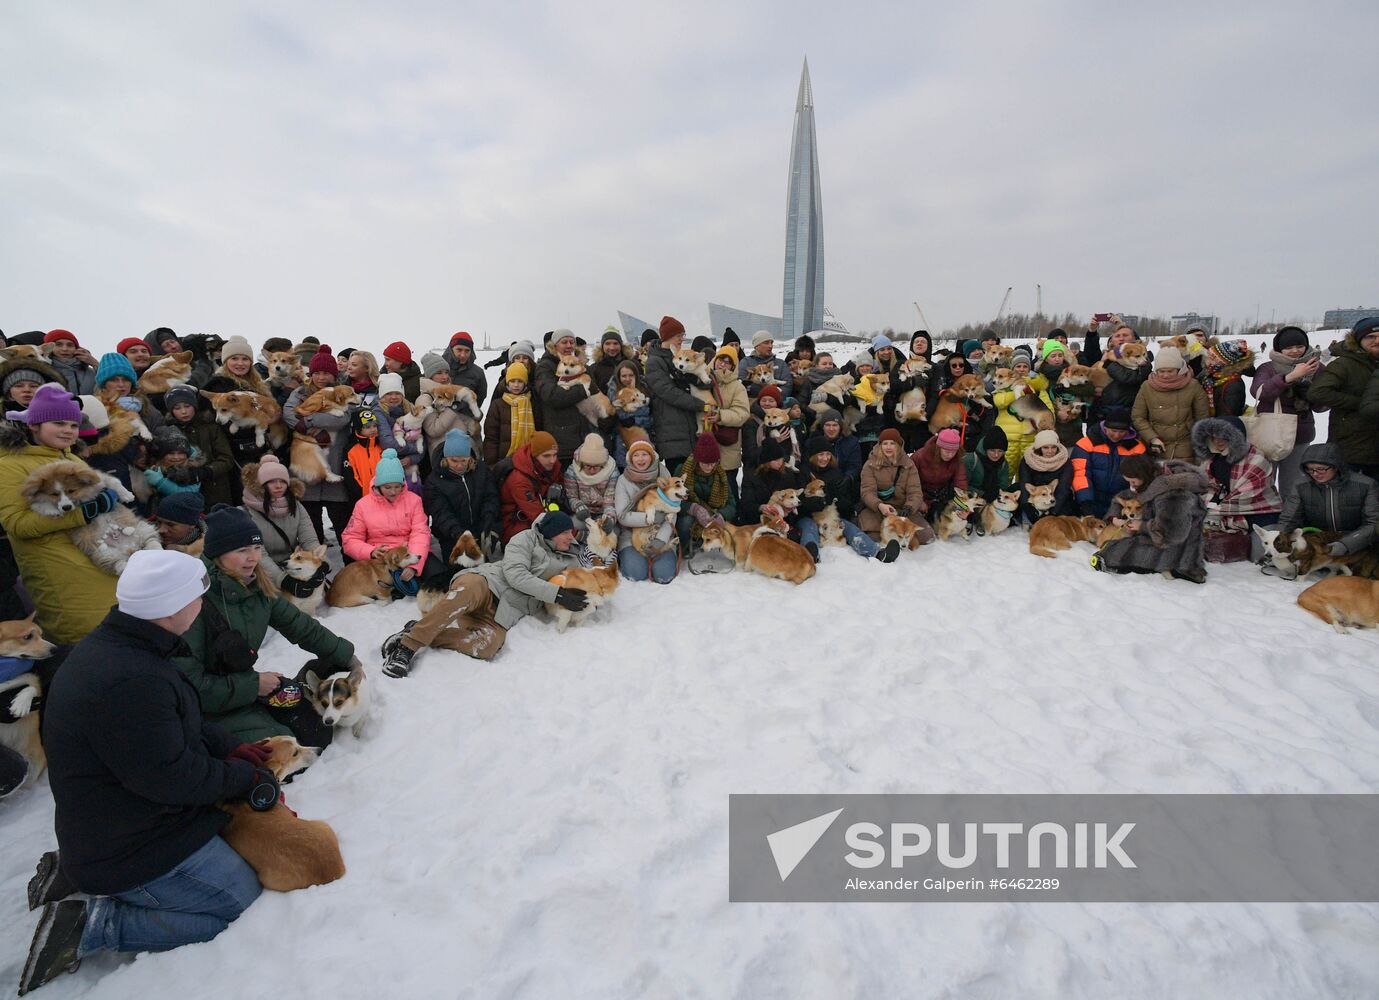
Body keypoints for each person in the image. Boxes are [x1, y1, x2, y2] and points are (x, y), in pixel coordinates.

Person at [19, 550, 273, 995]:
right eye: (199, 597)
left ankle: (72, 873)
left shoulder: (123, 648)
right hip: (133, 845)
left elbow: (174, 725)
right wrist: (244, 778)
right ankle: (91, 925)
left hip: (111, 823)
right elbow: (173, 779)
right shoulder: (131, 679)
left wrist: (231, 747)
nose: (203, 606)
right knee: (240, 903)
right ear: (174, 608)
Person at [176, 505, 355, 744]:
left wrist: (347, 656)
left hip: (240, 690)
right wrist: (253, 685)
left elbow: (300, 625)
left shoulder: (257, 587)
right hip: (205, 708)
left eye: (257, 548)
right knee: (288, 747)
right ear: (217, 553)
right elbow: (186, 684)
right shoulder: (194, 601)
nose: (253, 557)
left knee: (315, 731)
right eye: (242, 550)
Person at [378, 510, 589, 676]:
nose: (571, 537)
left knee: (487, 646)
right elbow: (516, 576)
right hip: (487, 583)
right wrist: (558, 594)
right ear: (551, 533)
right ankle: (407, 647)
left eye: (571, 532)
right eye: (565, 533)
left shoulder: (570, 558)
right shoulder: (524, 539)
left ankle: (415, 631)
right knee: (462, 595)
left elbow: (589, 574)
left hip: (506, 610)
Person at [0, 384, 118, 643]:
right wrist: (82, 513)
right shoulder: (9, 465)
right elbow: (18, 524)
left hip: (99, 560)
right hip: (61, 574)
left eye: (74, 425)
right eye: (58, 422)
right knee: (87, 647)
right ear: (34, 425)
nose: (68, 430)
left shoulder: (72, 459)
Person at [1092, 460, 1212, 583]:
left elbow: (1172, 533)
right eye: (1129, 482)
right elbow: (1122, 499)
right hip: (1158, 537)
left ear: (1142, 476)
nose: (1132, 486)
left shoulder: (1173, 495)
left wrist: (1142, 526)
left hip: (1176, 549)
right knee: (1109, 551)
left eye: (1133, 481)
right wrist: (1115, 518)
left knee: (1110, 555)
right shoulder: (1150, 484)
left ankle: (1179, 569)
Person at [341, 449, 446, 589]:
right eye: (387, 487)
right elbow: (350, 539)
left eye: (397, 486)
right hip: (380, 558)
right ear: (378, 485)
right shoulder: (362, 505)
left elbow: (420, 533)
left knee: (438, 576)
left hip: (410, 552)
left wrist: (414, 565)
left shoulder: (414, 501)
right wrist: (370, 552)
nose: (393, 491)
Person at [285, 350, 357, 546]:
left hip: (334, 466)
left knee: (344, 529)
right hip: (307, 468)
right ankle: (317, 573)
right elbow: (289, 414)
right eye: (317, 373)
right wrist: (317, 432)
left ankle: (351, 569)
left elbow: (341, 419)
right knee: (311, 532)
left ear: (334, 375)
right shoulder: (299, 393)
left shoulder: (343, 392)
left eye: (326, 373)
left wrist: (308, 421)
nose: (321, 377)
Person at [798, 435, 900, 562]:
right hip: (808, 516)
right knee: (809, 528)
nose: (825, 458)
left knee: (849, 527)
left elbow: (844, 501)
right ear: (813, 456)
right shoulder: (803, 472)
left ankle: (878, 553)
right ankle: (809, 555)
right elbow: (802, 502)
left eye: (828, 454)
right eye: (821, 454)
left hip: (830, 516)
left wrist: (843, 503)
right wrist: (824, 500)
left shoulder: (835, 472)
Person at [1272, 445, 1379, 564]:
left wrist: (1346, 544)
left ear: (1336, 466)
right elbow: (1289, 519)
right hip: (1317, 543)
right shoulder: (1301, 486)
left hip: (1357, 543)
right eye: (1310, 469)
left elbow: (1373, 523)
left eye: (1321, 469)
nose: (1315, 473)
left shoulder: (1365, 485)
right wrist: (1278, 543)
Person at [1251, 326, 1321, 500]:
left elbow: (1322, 406)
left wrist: (1311, 391)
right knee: (1264, 482)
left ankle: (1291, 521)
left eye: (1299, 346)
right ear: (1279, 349)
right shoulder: (1267, 368)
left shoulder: (1317, 368)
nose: (1295, 351)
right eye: (1289, 347)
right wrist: (1289, 378)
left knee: (1294, 485)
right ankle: (1267, 519)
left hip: (1300, 434)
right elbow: (1259, 392)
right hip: (1269, 433)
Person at [1308, 316, 1379, 478]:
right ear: (1358, 339)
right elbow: (1318, 392)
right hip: (1351, 446)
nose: (1377, 341)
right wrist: (1362, 403)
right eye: (1371, 337)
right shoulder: (1345, 364)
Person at [239, 455, 321, 584]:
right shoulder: (245, 513)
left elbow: (309, 540)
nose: (278, 486)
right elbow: (259, 555)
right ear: (261, 485)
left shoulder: (296, 506)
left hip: (292, 564)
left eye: (282, 481)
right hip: (259, 571)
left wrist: (321, 562)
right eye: (272, 481)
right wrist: (283, 580)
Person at [1191, 416, 1281, 531]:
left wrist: (1215, 512)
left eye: (1223, 437)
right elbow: (1208, 487)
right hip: (1224, 511)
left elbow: (1245, 496)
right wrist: (1207, 508)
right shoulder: (1212, 459)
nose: (1218, 441)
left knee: (1260, 547)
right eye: (1213, 437)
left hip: (1259, 513)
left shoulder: (1257, 460)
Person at [424, 428, 501, 561]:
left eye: (464, 461)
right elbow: (441, 513)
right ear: (446, 458)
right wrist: (460, 534)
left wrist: (488, 519)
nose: (459, 465)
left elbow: (491, 497)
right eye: (454, 461)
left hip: (481, 531)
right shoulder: (434, 481)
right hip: (452, 536)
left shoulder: (481, 470)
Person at [644, 316, 707, 470]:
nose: (682, 339)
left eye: (682, 335)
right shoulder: (654, 362)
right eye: (679, 335)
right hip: (671, 431)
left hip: (689, 429)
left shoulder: (680, 356)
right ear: (668, 336)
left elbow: (696, 379)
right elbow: (667, 392)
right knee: (679, 480)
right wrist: (700, 405)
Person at [615, 439, 679, 583]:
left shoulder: (664, 475)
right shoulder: (623, 480)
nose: (641, 459)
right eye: (636, 455)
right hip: (633, 535)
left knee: (663, 574)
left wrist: (660, 540)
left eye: (645, 454)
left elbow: (673, 510)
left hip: (661, 532)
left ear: (652, 456)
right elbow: (622, 516)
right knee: (636, 573)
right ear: (631, 459)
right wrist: (651, 518)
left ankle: (665, 555)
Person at [162, 385, 236, 508]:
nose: (184, 411)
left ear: (195, 406)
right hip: (183, 492)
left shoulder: (210, 427)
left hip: (215, 490)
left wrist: (206, 472)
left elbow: (227, 459)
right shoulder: (168, 431)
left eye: (187, 406)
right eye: (177, 408)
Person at [533, 329, 598, 467]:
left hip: (584, 435)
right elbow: (551, 395)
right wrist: (582, 390)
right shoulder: (545, 366)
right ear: (555, 345)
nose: (569, 345)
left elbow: (595, 391)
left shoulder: (582, 365)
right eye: (564, 342)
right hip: (561, 437)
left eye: (572, 342)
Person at [859, 428, 935, 544]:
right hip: (878, 508)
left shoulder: (909, 465)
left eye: (892, 443)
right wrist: (880, 505)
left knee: (926, 536)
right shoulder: (870, 465)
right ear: (880, 446)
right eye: (885, 443)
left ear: (898, 445)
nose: (888, 447)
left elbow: (915, 491)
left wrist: (909, 507)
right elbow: (867, 492)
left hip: (902, 508)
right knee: (871, 537)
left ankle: (901, 537)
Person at [1132, 346, 1209, 460]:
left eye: (1170, 371)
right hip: (1155, 446)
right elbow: (1138, 417)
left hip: (1185, 445)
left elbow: (1202, 417)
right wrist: (1152, 438)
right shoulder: (1147, 387)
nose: (1165, 375)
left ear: (1179, 369)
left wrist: (1197, 441)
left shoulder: (1193, 386)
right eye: (1161, 371)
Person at [1070, 411, 1148, 517]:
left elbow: (1140, 478)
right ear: (1105, 428)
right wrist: (1085, 500)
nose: (1116, 435)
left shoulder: (1137, 448)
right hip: (1092, 499)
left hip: (1122, 503)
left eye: (1121, 432)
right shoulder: (1086, 444)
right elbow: (1080, 473)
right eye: (1113, 431)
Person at [992, 351, 1053, 475]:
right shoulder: (1002, 386)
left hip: (1030, 438)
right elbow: (1000, 402)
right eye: (1018, 366)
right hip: (1008, 438)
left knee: (1027, 475)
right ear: (1012, 370)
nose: (1021, 369)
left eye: (1025, 366)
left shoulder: (1037, 387)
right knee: (1004, 474)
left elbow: (1048, 410)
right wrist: (1019, 392)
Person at [703, 346, 750, 502]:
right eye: (721, 359)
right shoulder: (703, 380)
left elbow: (742, 413)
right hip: (705, 442)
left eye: (728, 362)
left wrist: (720, 416)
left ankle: (734, 521)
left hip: (727, 448)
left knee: (729, 490)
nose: (723, 364)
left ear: (733, 366)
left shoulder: (738, 387)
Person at [675, 433, 736, 553]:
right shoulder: (683, 471)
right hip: (690, 514)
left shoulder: (721, 474)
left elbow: (731, 503)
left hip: (714, 514)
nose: (710, 467)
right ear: (698, 461)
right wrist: (693, 508)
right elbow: (673, 500)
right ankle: (684, 548)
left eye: (713, 463)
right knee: (685, 521)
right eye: (705, 463)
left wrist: (722, 515)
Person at [499, 430, 563, 542]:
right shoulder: (519, 479)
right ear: (535, 456)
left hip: (542, 513)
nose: (552, 460)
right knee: (533, 543)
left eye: (555, 455)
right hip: (517, 522)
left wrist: (558, 486)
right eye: (546, 456)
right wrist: (572, 534)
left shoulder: (549, 467)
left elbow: (560, 482)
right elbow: (538, 516)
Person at [484, 360, 541, 466]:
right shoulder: (498, 405)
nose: (516, 385)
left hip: (529, 458)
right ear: (507, 382)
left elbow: (539, 429)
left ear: (525, 382)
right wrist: (491, 464)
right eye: (512, 381)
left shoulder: (532, 402)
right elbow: (491, 437)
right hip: (503, 459)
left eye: (520, 381)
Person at [1016, 429, 1076, 524]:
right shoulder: (1028, 459)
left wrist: (1053, 511)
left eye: (1053, 447)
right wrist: (1026, 506)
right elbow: (1024, 483)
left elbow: (1063, 488)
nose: (1050, 451)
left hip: (1055, 497)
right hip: (1035, 495)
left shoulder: (1065, 462)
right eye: (1045, 448)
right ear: (1039, 448)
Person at [564, 432, 619, 529]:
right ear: (581, 463)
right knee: (571, 527)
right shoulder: (572, 471)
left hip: (604, 512)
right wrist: (578, 506)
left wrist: (609, 518)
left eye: (596, 466)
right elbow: (571, 497)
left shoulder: (612, 471)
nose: (592, 470)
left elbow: (610, 499)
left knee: (611, 533)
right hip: (582, 514)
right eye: (588, 466)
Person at [911, 427, 969, 516]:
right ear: (939, 448)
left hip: (942, 496)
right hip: (920, 494)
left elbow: (960, 483)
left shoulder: (957, 460)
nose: (950, 455)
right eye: (947, 451)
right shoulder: (920, 456)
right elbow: (910, 481)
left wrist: (963, 506)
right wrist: (919, 500)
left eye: (953, 452)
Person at [1197, 339, 1255, 417]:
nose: (1208, 358)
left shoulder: (1234, 385)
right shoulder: (1209, 374)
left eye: (1213, 357)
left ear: (1223, 363)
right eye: (1209, 354)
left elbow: (1227, 415)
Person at [963, 425, 1012, 504]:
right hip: (968, 500)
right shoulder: (970, 460)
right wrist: (982, 494)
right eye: (992, 450)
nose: (996, 455)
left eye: (1000, 451)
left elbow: (1003, 486)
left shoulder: (1003, 464)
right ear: (986, 449)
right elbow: (961, 486)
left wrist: (997, 494)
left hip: (991, 501)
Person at [42, 330, 97, 396]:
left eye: (70, 345)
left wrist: (96, 364)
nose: (65, 349)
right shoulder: (44, 371)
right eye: (58, 344)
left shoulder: (91, 372)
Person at [446, 331, 488, 406]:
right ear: (451, 349)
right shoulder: (438, 368)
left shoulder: (478, 373)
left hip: (464, 417)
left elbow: (480, 398)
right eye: (459, 350)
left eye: (467, 351)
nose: (463, 355)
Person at [590, 326, 628, 392]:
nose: (612, 348)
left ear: (621, 345)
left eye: (615, 343)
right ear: (602, 346)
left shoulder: (632, 364)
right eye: (607, 344)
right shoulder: (594, 369)